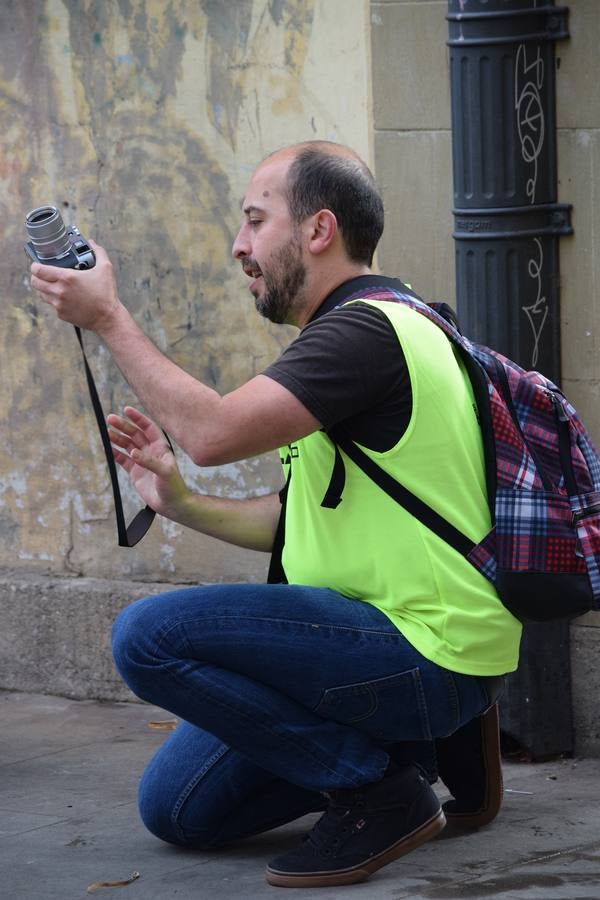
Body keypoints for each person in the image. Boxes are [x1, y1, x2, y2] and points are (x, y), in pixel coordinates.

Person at [30, 141, 521, 888]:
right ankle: (424, 743)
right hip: (369, 639)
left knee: (147, 636)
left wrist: (110, 318)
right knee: (179, 811)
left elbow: (212, 433)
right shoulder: (350, 335)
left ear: (318, 230)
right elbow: (293, 522)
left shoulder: (368, 333)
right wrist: (180, 502)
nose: (239, 245)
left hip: (423, 647)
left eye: (256, 221)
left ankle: (382, 793)